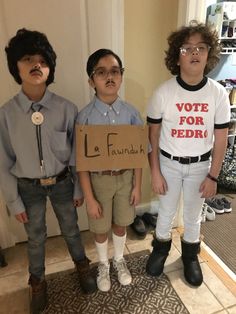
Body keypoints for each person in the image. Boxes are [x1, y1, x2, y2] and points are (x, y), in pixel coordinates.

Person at [0, 29, 96, 314]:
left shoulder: (67, 109)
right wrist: (13, 200)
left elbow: (77, 154)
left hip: (63, 183)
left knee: (71, 229)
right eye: (28, 59)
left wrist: (79, 186)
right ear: (15, 66)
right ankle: (37, 281)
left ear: (50, 66)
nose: (36, 65)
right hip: (27, 187)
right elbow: (3, 161)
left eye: (42, 60)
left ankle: (82, 266)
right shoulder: (6, 114)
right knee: (36, 236)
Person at [146, 21, 230, 287]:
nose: (195, 53)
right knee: (166, 212)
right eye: (187, 48)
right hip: (168, 164)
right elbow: (153, 137)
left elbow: (221, 139)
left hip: (200, 167)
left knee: (193, 215)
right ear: (177, 55)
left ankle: (190, 256)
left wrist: (213, 176)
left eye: (201, 48)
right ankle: (160, 250)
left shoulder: (218, 94)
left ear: (209, 54)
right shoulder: (163, 92)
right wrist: (156, 172)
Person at [77, 49, 143, 292]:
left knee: (121, 223)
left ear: (121, 76)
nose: (109, 77)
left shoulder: (132, 113)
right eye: (101, 72)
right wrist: (90, 198)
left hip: (125, 180)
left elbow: (137, 154)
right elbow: (81, 163)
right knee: (100, 227)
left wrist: (137, 185)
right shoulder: (84, 117)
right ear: (91, 80)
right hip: (99, 182)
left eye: (115, 71)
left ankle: (118, 259)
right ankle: (103, 263)